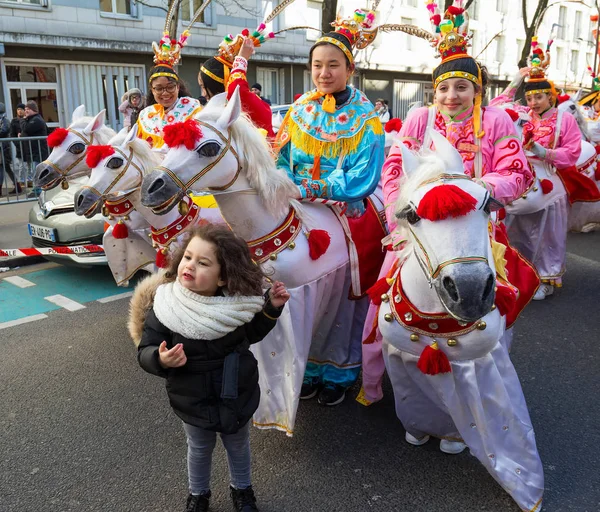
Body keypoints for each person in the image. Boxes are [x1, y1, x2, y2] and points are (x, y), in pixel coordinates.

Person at [130, 224, 290, 512]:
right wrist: (160, 358)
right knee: (199, 448)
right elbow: (146, 349)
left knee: (238, 445)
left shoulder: (235, 307)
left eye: (203, 263)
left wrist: (271, 309)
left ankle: (242, 491)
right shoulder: (166, 306)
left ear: (223, 277)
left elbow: (251, 333)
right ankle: (198, 495)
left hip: (234, 390)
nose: (190, 266)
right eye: (188, 257)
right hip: (191, 392)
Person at [276, 9, 385, 405]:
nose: (324, 73)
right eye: (317, 65)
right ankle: (304, 362)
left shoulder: (366, 116)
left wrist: (316, 186)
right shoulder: (299, 109)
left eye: (333, 65)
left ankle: (340, 367)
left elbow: (364, 175)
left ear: (349, 69)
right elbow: (280, 157)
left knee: (344, 290)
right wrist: (288, 183)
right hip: (297, 196)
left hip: (347, 204)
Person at [492, 37, 581, 300]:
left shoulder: (565, 120)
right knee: (516, 231)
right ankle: (520, 274)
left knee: (547, 235)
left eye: (539, 96)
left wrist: (545, 152)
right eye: (529, 97)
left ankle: (546, 277)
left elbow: (573, 152)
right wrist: (516, 80)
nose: (533, 102)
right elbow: (496, 106)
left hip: (550, 181)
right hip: (522, 179)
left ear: (550, 95)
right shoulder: (520, 115)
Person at [198, 33, 275, 138]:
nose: (203, 94)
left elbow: (237, 90)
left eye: (203, 87)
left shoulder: (240, 107)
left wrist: (241, 60)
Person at [137, 32, 201, 149]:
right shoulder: (145, 115)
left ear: (178, 86)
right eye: (159, 88)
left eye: (170, 87)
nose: (165, 93)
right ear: (152, 90)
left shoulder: (193, 108)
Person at [21, 100, 49, 196]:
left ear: (34, 110)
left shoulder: (36, 120)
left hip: (38, 151)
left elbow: (26, 130)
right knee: (34, 171)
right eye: (25, 109)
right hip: (33, 151)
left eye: (28, 109)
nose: (26, 111)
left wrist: (23, 120)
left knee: (37, 171)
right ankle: (37, 189)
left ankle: (39, 190)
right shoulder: (31, 119)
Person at [9, 103, 26, 193]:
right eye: (18, 109)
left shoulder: (27, 120)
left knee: (29, 164)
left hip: (28, 145)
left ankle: (29, 180)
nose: (19, 111)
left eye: (21, 109)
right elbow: (12, 134)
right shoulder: (14, 121)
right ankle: (22, 180)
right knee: (21, 164)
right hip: (20, 146)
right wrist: (17, 143)